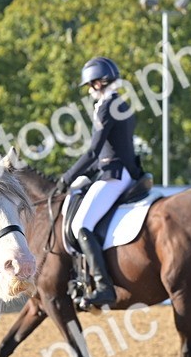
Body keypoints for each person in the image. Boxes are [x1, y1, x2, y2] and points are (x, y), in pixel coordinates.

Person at [54, 56, 141, 307]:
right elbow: (104, 154)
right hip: (115, 170)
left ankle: (103, 286)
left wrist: (67, 176)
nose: (90, 91)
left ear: (100, 82)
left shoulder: (107, 105)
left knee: (82, 224)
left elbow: (94, 152)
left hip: (114, 175)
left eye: (91, 85)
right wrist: (81, 176)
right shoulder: (121, 103)